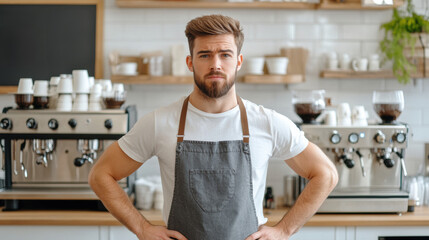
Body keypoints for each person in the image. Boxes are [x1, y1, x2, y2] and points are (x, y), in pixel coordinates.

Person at [89, 14, 338, 240]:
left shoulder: (267, 122)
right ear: (190, 62)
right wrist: (142, 228)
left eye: (225, 54)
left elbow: (326, 174)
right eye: (205, 55)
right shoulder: (160, 122)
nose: (215, 64)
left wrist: (284, 230)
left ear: (239, 61)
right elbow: (100, 175)